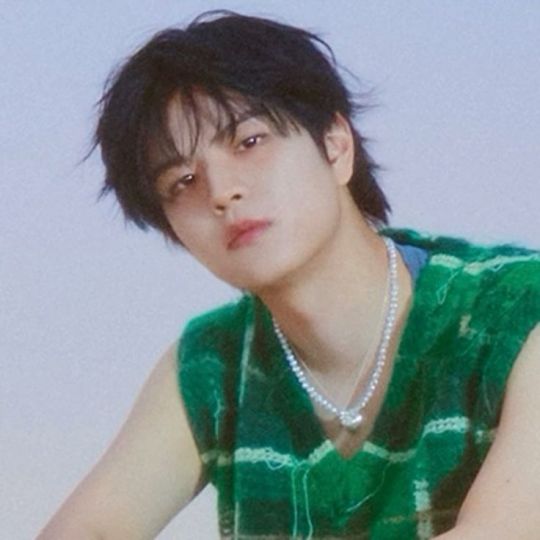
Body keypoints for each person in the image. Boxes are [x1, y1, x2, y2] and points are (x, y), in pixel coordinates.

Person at [37, 10, 540, 540]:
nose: (221, 192)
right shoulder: (213, 364)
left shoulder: (514, 307)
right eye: (182, 181)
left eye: (249, 143)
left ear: (336, 145)